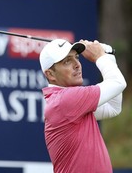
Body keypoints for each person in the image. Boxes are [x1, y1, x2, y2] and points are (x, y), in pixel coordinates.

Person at [39, 39, 127, 173]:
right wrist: (101, 56)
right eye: (67, 61)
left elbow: (113, 107)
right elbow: (118, 83)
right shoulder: (65, 100)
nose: (77, 65)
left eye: (77, 57)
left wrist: (108, 55)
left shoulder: (69, 102)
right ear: (50, 74)